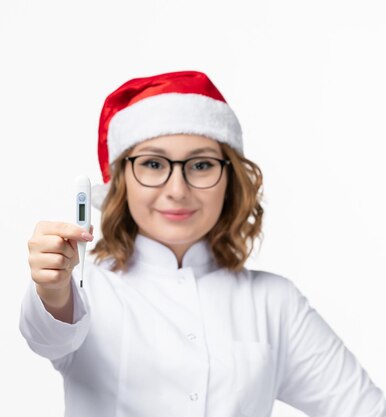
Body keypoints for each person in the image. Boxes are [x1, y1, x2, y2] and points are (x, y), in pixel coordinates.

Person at [19, 70, 386, 417]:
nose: (177, 190)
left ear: (230, 179)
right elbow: (49, 336)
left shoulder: (275, 303)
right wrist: (52, 287)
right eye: (152, 164)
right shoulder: (88, 288)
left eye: (200, 166)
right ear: (121, 180)